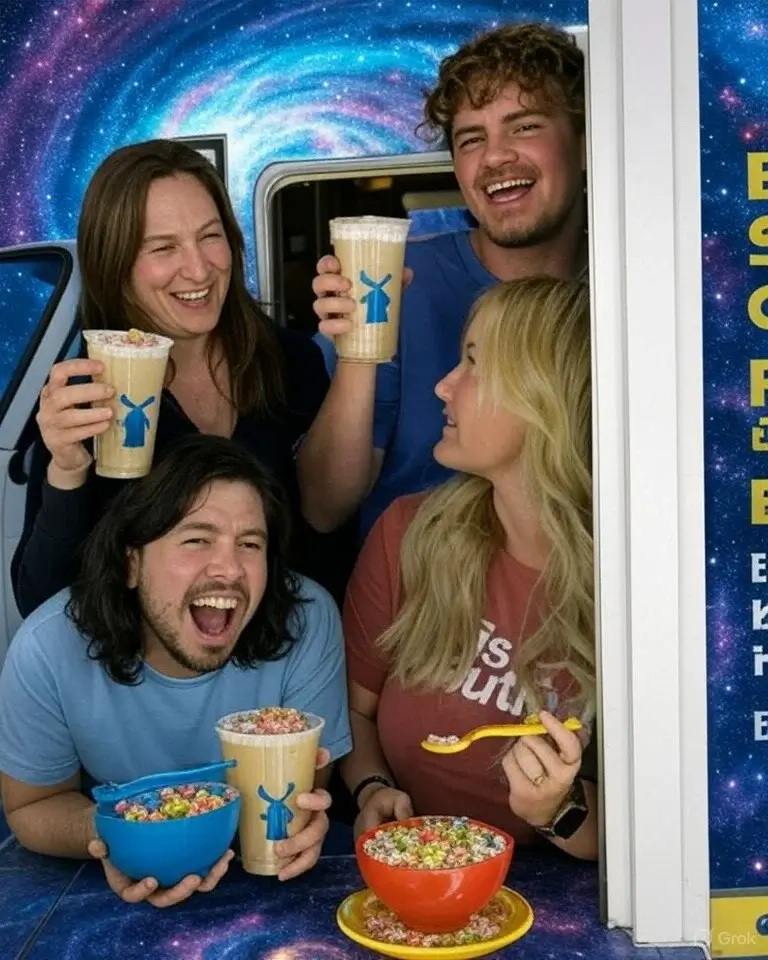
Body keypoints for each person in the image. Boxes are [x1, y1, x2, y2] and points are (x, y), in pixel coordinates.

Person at [0, 434, 352, 906]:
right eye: (197, 539)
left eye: (250, 543)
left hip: (267, 889)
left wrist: (308, 821)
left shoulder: (307, 620)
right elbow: (32, 807)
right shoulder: (48, 646)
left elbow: (302, 793)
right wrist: (121, 839)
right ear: (131, 563)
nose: (228, 568)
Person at [12, 138, 352, 619]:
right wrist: (67, 470)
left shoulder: (291, 361)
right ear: (116, 264)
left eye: (210, 236)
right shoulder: (85, 390)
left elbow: (327, 532)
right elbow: (41, 603)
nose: (198, 269)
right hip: (147, 684)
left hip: (284, 668)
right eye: (163, 247)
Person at [339, 277, 598, 860]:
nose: (443, 384)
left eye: (473, 364)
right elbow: (353, 710)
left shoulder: (633, 579)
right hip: (412, 874)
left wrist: (561, 814)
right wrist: (371, 787)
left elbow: (655, 822)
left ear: (545, 398)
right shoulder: (410, 534)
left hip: (557, 899)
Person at [300, 22, 588, 541]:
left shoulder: (633, 290)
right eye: (472, 139)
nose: (495, 156)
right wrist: (357, 352)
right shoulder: (398, 282)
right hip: (411, 607)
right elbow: (323, 506)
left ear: (586, 142)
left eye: (524, 127)